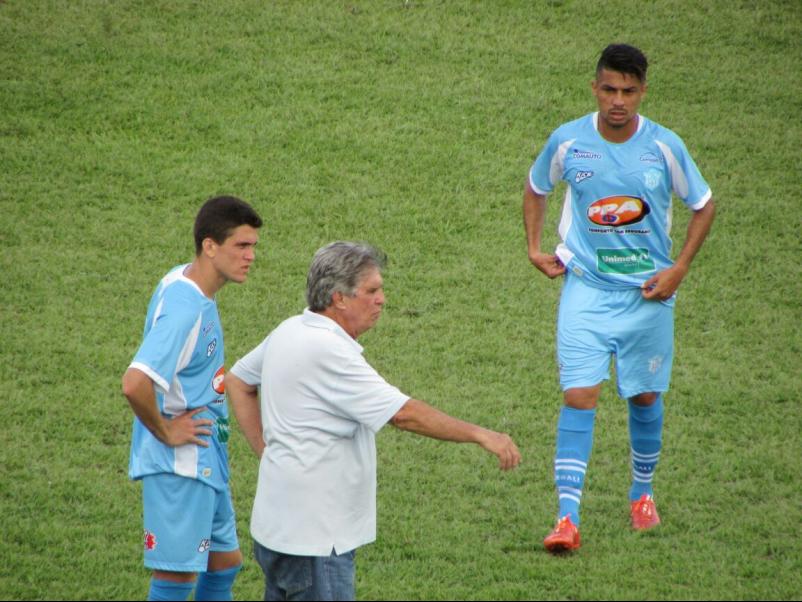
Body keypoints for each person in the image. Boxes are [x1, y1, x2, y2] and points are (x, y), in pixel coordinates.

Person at [226, 241, 522, 601]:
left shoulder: (290, 329)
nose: (382, 299)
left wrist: (268, 452)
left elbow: (238, 381)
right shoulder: (329, 351)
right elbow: (403, 413)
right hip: (317, 542)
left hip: (278, 530)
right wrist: (481, 434)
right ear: (339, 298)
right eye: (372, 290)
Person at [523, 44, 716, 552]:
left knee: (645, 396)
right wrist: (534, 248)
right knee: (578, 395)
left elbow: (704, 205)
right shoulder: (569, 141)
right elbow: (535, 186)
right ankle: (567, 519)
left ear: (643, 92)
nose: (618, 101)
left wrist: (679, 269)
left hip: (648, 296)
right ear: (595, 87)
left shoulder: (664, 146)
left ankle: (641, 495)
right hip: (585, 288)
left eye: (629, 91)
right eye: (609, 89)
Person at [121, 195, 263, 600]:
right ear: (209, 245)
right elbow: (134, 382)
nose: (251, 256)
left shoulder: (183, 281)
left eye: (253, 246)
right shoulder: (186, 312)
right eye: (241, 246)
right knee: (176, 579)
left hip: (205, 459)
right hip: (181, 465)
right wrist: (165, 431)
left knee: (224, 563)